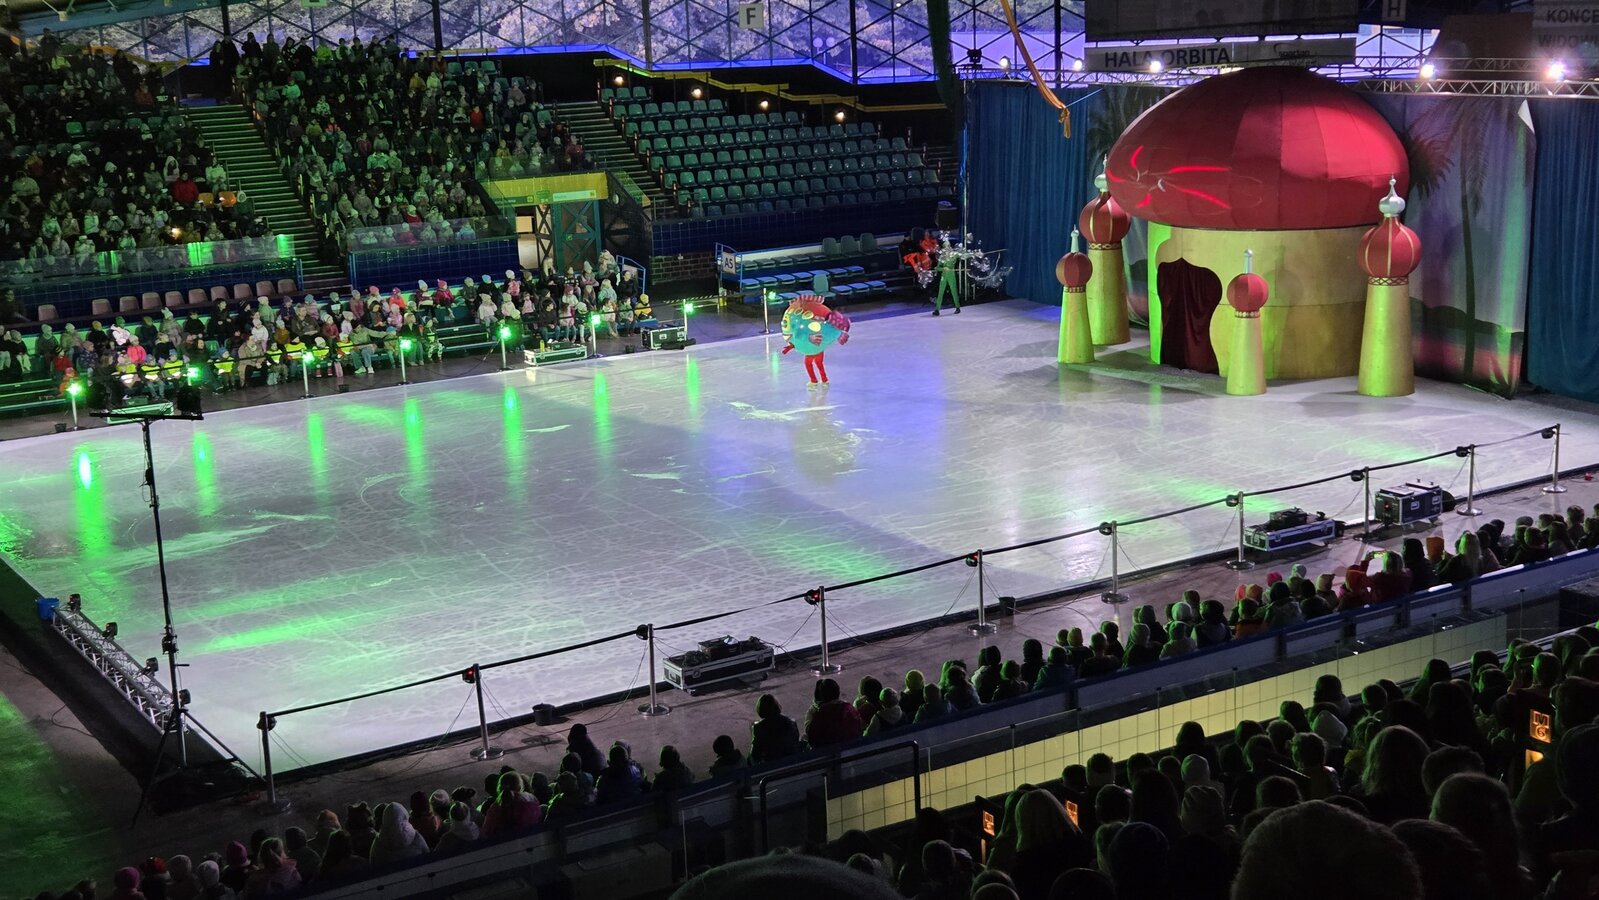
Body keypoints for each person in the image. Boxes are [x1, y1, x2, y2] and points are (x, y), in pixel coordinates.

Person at [805, 677, 863, 747]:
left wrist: (810, 715)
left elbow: (812, 740)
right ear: (838, 692)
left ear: (822, 697)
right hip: (854, 748)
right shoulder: (850, 709)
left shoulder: (821, 716)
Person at [369, 799, 431, 863]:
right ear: (405, 815)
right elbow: (427, 854)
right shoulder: (415, 837)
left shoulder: (378, 842)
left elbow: (373, 862)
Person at [750, 693, 802, 763]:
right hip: (792, 761)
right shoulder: (791, 722)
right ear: (777, 706)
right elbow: (795, 743)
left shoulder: (758, 728)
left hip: (772, 764)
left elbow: (755, 754)